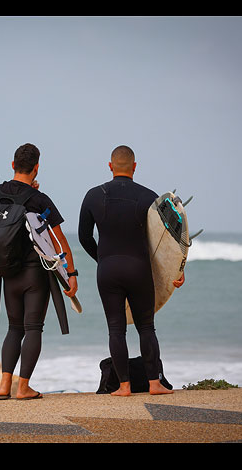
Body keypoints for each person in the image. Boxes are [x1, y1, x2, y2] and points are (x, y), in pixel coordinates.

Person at [78, 145, 184, 397]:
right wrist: (176, 270)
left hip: (108, 270)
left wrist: (102, 259)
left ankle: (124, 386)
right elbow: (171, 240)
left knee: (116, 329)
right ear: (134, 167)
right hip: (139, 269)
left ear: (110, 166)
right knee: (146, 327)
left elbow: (84, 237)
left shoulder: (93, 195)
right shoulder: (150, 197)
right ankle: (154, 384)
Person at [0, 143, 78, 400]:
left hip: (6, 272)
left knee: (14, 328)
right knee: (33, 328)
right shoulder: (40, 200)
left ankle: (4, 386)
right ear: (36, 168)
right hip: (34, 275)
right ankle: (23, 387)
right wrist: (72, 274)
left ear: (13, 165)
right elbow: (59, 241)